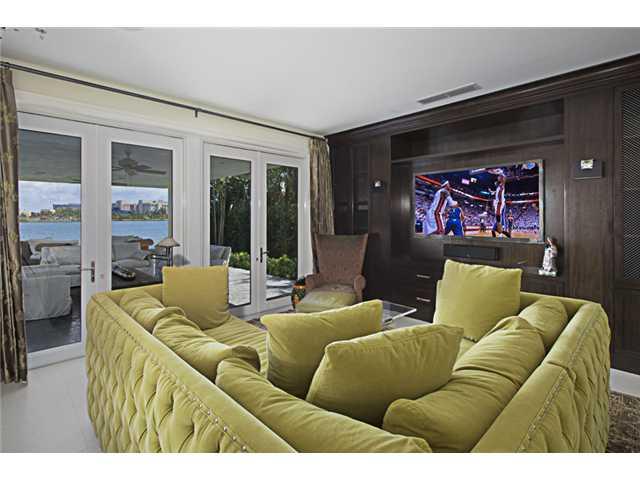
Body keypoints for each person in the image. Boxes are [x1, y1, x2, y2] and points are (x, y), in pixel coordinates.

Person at [492, 174, 511, 238]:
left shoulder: (501, 186)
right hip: (498, 204)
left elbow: (504, 181)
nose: (495, 183)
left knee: (499, 220)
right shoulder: (498, 188)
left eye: (496, 182)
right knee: (498, 221)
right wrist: (492, 192)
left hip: (500, 203)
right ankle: (501, 231)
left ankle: (502, 232)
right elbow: (496, 192)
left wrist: (502, 176)